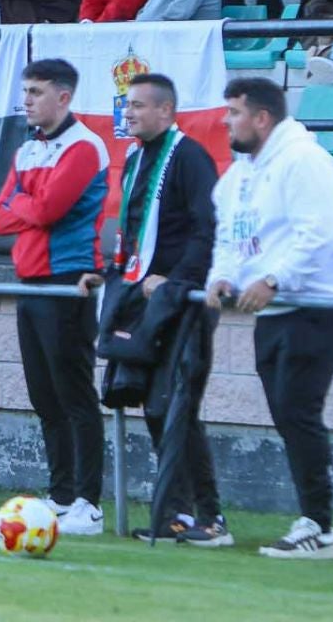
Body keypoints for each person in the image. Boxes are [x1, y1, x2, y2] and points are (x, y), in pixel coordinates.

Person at [204, 77, 333, 560]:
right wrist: (222, 277)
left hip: (320, 302)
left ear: (262, 118)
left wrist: (273, 278)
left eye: (234, 113)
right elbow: (230, 238)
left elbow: (315, 234)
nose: (226, 121)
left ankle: (320, 526)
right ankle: (315, 520)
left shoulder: (305, 161)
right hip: (274, 308)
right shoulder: (240, 174)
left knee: (297, 409)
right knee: (287, 412)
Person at [0, 60, 107, 535]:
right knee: (44, 394)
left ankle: (89, 502)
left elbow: (50, 208)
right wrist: (28, 208)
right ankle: (61, 495)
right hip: (30, 280)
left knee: (75, 393)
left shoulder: (83, 147)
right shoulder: (28, 149)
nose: (28, 100)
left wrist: (26, 207)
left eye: (36, 92)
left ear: (64, 96)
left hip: (67, 278)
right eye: (26, 91)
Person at [113, 73, 226, 545]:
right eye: (127, 105)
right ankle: (176, 512)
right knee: (156, 408)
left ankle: (211, 517)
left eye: (139, 105)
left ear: (166, 110)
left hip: (183, 303)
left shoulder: (191, 158)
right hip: (144, 301)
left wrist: (176, 282)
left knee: (179, 407)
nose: (130, 113)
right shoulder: (136, 158)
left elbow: (206, 229)